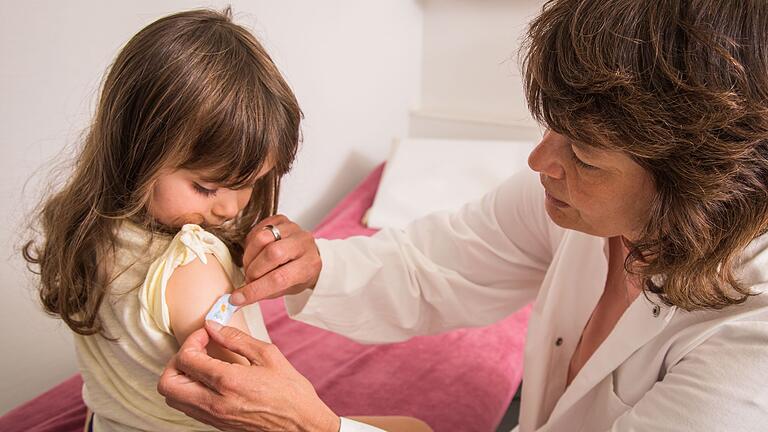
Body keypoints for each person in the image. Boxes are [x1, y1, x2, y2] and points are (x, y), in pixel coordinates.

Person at [157, 0, 768, 431]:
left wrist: (314, 428)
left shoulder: (751, 340)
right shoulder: (574, 206)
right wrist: (319, 264)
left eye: (582, 155)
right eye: (551, 129)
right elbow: (439, 263)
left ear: (692, 182)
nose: (540, 161)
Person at [23, 8, 427, 432]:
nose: (231, 209)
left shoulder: (88, 228)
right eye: (207, 188)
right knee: (416, 428)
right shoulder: (191, 264)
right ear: (137, 154)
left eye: (251, 183)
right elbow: (247, 400)